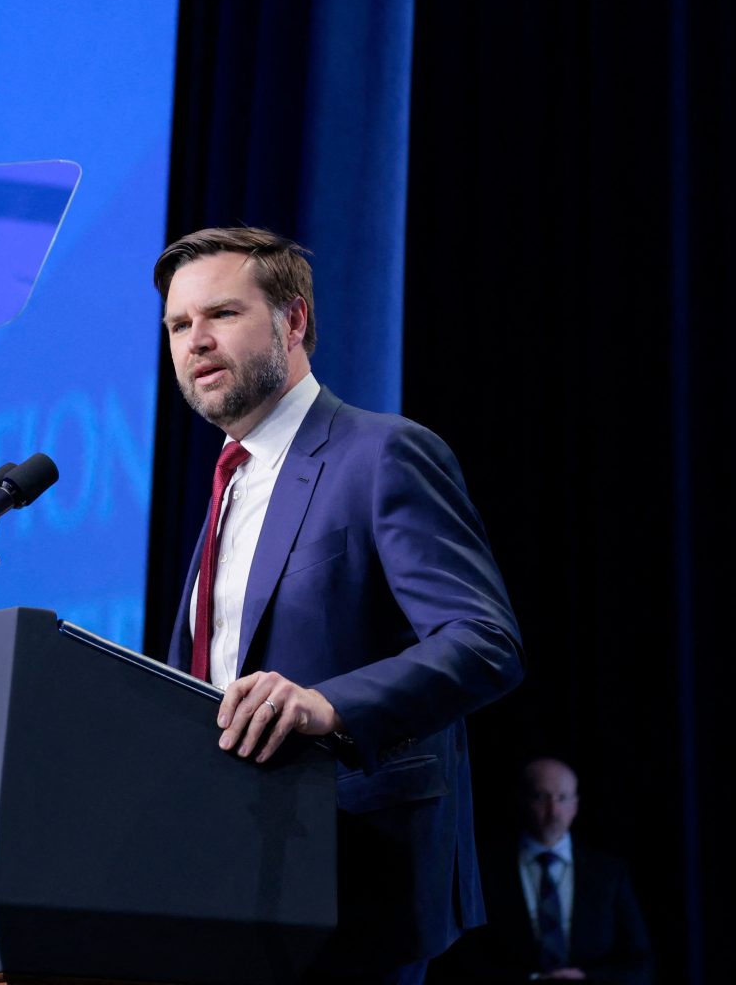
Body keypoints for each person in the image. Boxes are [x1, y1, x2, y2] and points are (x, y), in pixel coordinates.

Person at [156, 225, 524, 985]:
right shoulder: (229, 487)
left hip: (355, 881)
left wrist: (329, 706)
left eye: (221, 314)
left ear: (293, 322)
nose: (195, 341)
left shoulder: (380, 452)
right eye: (178, 325)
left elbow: (484, 640)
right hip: (229, 880)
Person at [435, 758, 652, 985]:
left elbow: (640, 964)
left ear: (576, 804)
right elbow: (465, 961)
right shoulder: (484, 872)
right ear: (521, 801)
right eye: (541, 797)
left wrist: (587, 978)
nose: (554, 811)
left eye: (562, 798)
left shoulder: (609, 873)